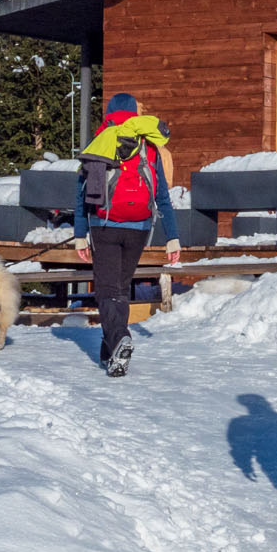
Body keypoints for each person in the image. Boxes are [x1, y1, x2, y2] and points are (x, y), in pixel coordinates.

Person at [73, 92, 181, 376]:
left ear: (108, 112)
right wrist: (172, 237)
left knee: (107, 291)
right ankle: (110, 352)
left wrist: (80, 234)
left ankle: (120, 337)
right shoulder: (149, 147)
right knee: (119, 289)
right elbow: (163, 196)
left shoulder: (100, 141)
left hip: (104, 225)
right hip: (139, 228)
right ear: (135, 114)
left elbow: (82, 194)